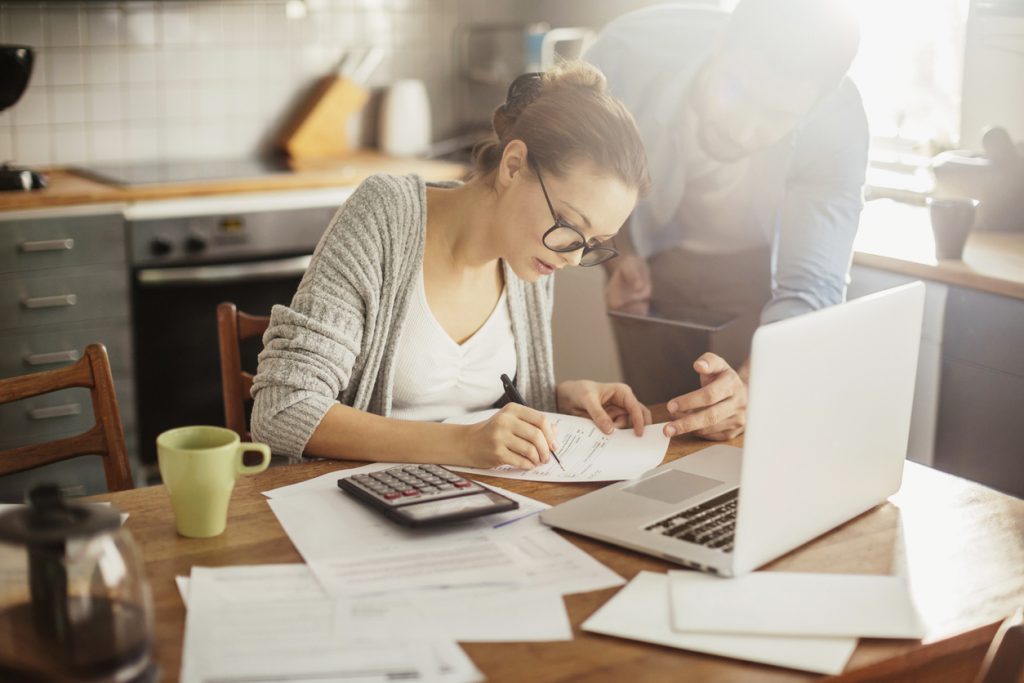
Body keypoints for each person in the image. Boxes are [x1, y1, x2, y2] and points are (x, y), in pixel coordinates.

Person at [251, 61, 652, 469]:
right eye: (568, 226)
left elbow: (485, 404)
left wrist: (560, 397)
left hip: (477, 506)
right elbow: (283, 409)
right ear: (513, 166)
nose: (572, 258)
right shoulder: (386, 216)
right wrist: (460, 444)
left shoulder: (534, 258)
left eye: (594, 244)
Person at [586, 0, 868, 441]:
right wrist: (615, 255)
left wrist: (756, 387)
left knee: (747, 433)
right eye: (738, 92)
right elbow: (574, 178)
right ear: (720, 44)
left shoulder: (836, 121)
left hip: (760, 277)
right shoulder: (625, 56)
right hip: (653, 260)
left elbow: (809, 287)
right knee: (652, 435)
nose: (742, 129)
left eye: (775, 116)